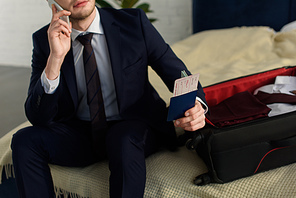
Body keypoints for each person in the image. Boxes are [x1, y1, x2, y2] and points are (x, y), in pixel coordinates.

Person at [11, 0, 207, 197]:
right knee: (24, 140)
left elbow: (179, 74)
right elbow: (38, 117)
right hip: (80, 134)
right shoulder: (45, 40)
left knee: (122, 139)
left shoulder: (134, 23)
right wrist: (55, 59)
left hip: (132, 127)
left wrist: (196, 104)